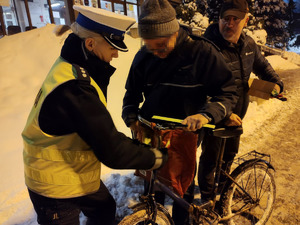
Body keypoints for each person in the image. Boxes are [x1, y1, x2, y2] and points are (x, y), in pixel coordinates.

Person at [22, 5, 168, 225]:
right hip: (54, 186)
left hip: (73, 173)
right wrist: (155, 158)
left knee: (104, 208)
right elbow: (112, 151)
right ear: (90, 44)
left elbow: (100, 131)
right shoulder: (76, 88)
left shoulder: (73, 65)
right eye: (112, 46)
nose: (116, 54)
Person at [121, 0, 238, 224]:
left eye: (161, 45)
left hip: (185, 133)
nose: (156, 52)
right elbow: (131, 95)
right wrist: (131, 118)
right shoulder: (145, 55)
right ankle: (154, 217)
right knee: (153, 183)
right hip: (151, 132)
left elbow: (228, 92)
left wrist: (205, 115)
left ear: (174, 31)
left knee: (181, 185)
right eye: (150, 46)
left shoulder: (202, 52)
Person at [198, 0, 284, 204]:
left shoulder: (249, 45)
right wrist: (224, 115)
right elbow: (198, 87)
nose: (229, 24)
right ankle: (208, 201)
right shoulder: (206, 47)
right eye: (225, 19)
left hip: (237, 115)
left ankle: (223, 192)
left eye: (235, 19)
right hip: (214, 115)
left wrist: (277, 84)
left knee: (229, 155)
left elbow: (263, 67)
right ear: (218, 20)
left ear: (245, 20)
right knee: (211, 159)